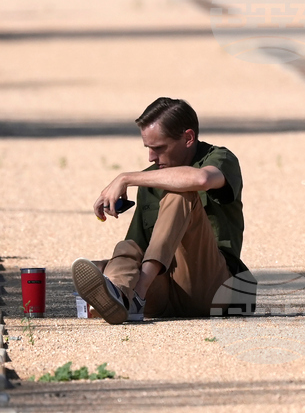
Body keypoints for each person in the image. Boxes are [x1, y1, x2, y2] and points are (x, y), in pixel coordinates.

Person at [72, 97, 250, 324]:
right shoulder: (150, 179)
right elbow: (137, 248)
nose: (151, 157)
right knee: (127, 248)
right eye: (148, 148)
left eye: (158, 148)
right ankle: (120, 294)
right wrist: (111, 270)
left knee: (182, 192)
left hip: (212, 289)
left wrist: (126, 178)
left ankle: (135, 295)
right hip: (163, 293)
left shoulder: (219, 159)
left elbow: (201, 179)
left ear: (188, 138)